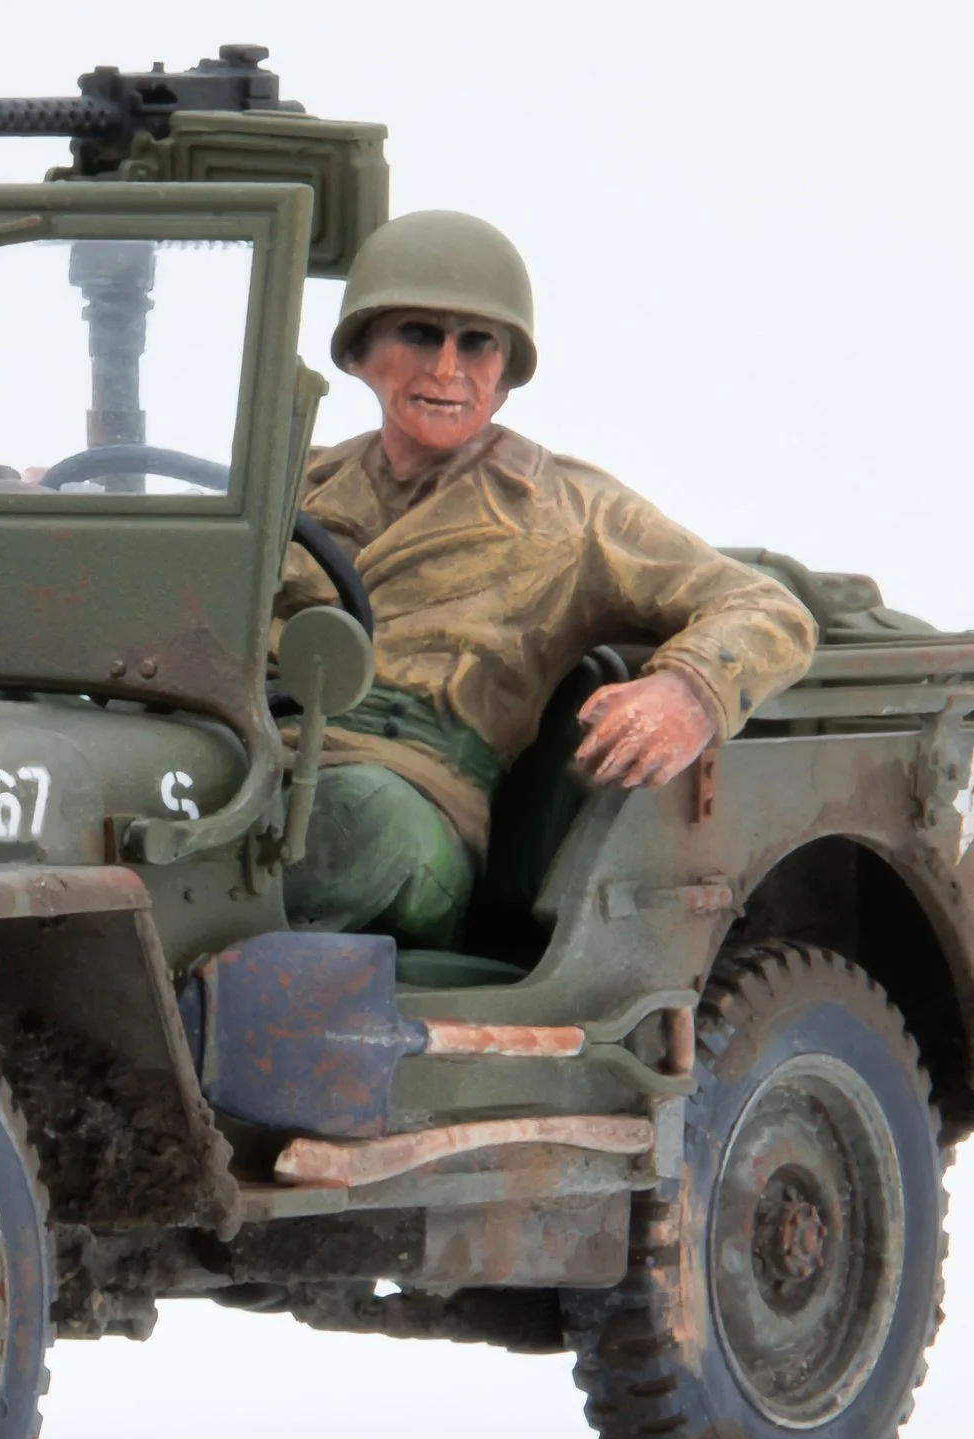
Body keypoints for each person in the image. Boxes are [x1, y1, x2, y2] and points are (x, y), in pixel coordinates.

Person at [279, 210, 817, 948]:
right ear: (362, 352)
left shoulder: (566, 509)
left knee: (345, 827)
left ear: (504, 374)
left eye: (477, 344)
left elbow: (766, 609)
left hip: (412, 795)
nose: (446, 370)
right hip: (252, 752)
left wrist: (688, 690)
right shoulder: (297, 484)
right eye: (418, 335)